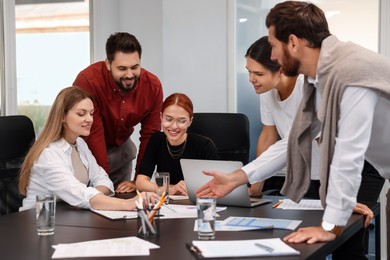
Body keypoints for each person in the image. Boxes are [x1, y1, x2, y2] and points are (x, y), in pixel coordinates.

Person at [198, 0, 390, 254]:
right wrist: (236, 178)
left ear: (293, 42)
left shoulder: (348, 71)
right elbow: (296, 139)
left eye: (274, 46)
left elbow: (348, 152)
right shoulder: (321, 78)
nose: (274, 56)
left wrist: (329, 225)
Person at [245, 36, 383, 259]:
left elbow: (329, 143)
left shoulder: (309, 88)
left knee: (347, 238)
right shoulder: (267, 91)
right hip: (314, 165)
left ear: (280, 69)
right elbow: (269, 135)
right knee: (305, 236)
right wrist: (255, 186)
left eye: (258, 73)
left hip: (358, 163)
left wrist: (339, 198)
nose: (251, 79)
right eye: (249, 71)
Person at [19, 87, 155, 211]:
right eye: (81, 114)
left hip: (65, 219)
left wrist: (93, 197)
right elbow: (79, 193)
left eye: (91, 113)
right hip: (37, 223)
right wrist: (129, 204)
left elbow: (103, 180)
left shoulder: (80, 143)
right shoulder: (49, 154)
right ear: (62, 116)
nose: (89, 119)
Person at [73, 32, 163, 193]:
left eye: (135, 67)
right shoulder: (88, 81)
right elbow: (93, 134)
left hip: (121, 151)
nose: (129, 74)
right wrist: (104, 184)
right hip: (85, 150)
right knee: (94, 200)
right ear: (108, 64)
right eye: (122, 68)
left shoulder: (152, 86)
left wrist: (139, 180)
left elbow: (151, 135)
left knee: (123, 200)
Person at [136, 93, 217, 195]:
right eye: (168, 119)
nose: (174, 126)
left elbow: (216, 184)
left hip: (196, 203)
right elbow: (140, 182)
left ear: (190, 121)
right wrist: (171, 188)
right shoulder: (156, 140)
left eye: (181, 121)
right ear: (161, 117)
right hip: (167, 204)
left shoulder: (204, 145)